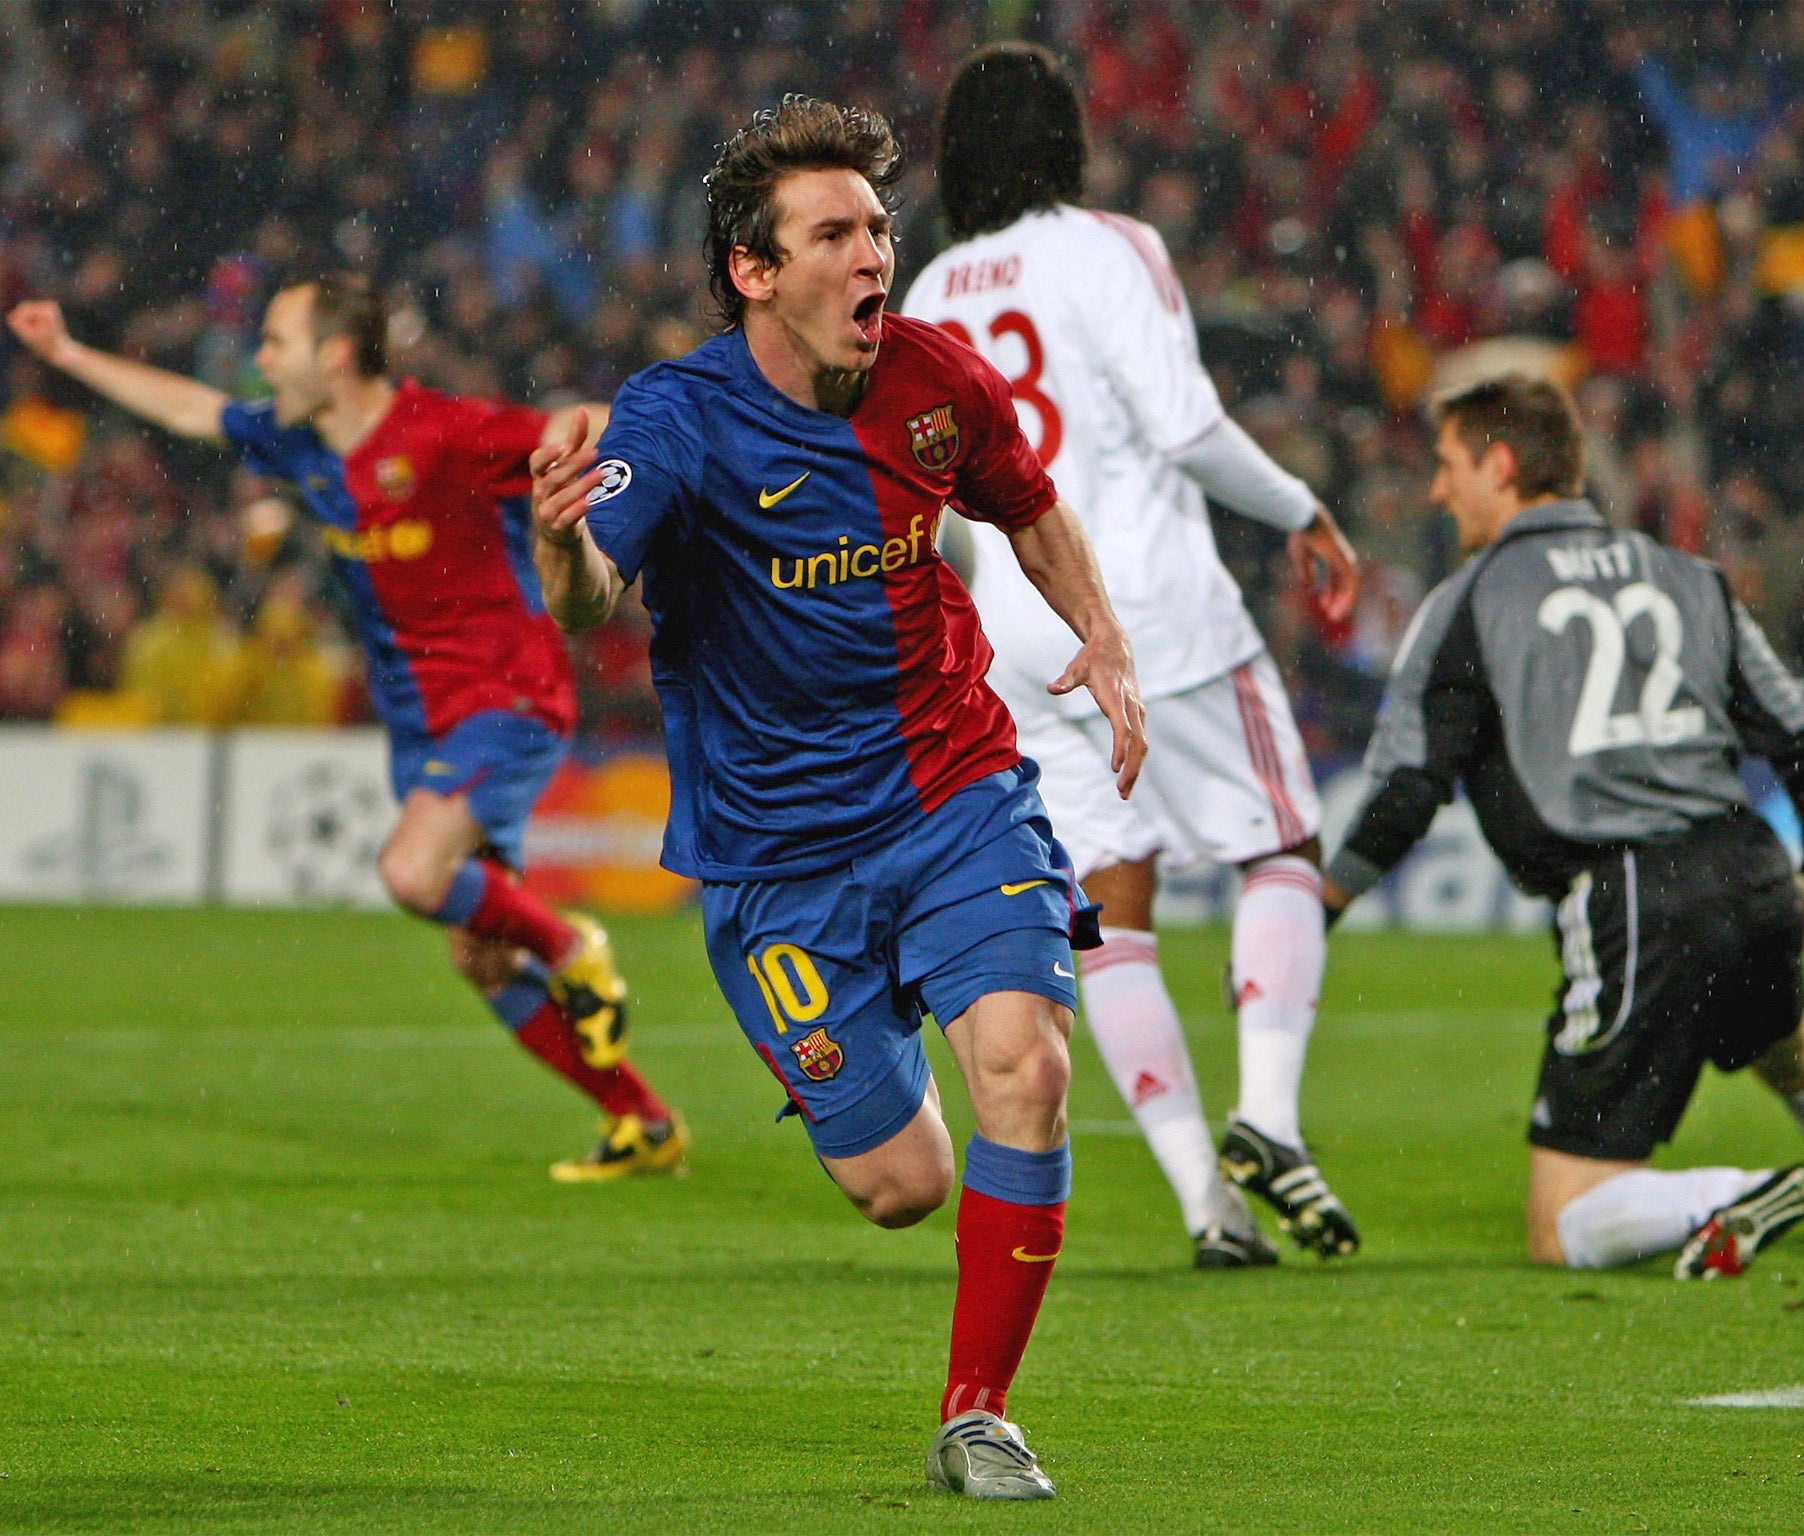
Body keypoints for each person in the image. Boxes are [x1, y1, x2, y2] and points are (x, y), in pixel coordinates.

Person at [531, 95, 1145, 1501]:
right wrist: (556, 544)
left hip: (954, 792)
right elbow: (587, 600)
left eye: (877, 226)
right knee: (901, 1188)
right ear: (755, 271)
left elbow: (1028, 504)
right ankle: (873, 1072)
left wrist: (1101, 636)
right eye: (835, 234)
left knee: (1029, 1063)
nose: (874, 255)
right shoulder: (676, 420)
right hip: (776, 861)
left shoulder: (936, 379)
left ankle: (980, 1411)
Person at [8, 281, 686, 1183]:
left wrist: (683, 416)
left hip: (506, 698)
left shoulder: (444, 433)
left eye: (277, 340)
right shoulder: (302, 442)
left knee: (413, 872)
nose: (263, 358)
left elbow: (582, 421)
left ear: (335, 356)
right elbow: (191, 406)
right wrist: (69, 357)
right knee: (480, 954)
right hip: (420, 723)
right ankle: (642, 1121)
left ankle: (571, 946)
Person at [902, 44, 1364, 1268]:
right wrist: (1297, 507)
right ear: (1065, 141)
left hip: (1018, 633)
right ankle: (1264, 1115)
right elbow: (1185, 426)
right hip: (1152, 606)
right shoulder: (1109, 246)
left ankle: (1203, 1202)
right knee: (1279, 846)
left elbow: (933, 508)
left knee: (1111, 910)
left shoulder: (930, 292)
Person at [1324, 374, 1804, 1278]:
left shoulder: (1471, 599)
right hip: (1749, 864)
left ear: (1501, 465)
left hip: (1631, 895)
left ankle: (1743, 1191)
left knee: (1562, 1224)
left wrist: (1322, 899)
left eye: (1449, 464)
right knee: (1790, 1051)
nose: (1436, 488)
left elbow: (1411, 785)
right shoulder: (1687, 577)